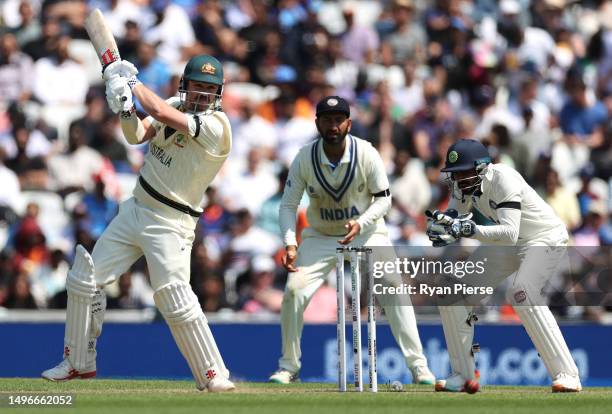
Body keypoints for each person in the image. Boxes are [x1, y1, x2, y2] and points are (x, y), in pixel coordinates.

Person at [41, 54, 235, 392]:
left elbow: (159, 113)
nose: (202, 95)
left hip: (170, 222)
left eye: (209, 89)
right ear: (184, 86)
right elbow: (138, 134)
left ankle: (213, 374)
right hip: (135, 208)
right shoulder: (176, 102)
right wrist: (127, 108)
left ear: (218, 93)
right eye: (197, 87)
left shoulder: (217, 126)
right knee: (84, 280)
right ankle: (77, 363)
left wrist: (132, 82)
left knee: (174, 298)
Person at [269, 96, 434, 384]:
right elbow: (288, 205)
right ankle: (289, 366)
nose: (333, 125)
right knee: (294, 290)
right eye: (327, 120)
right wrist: (290, 242)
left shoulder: (367, 153)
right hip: (320, 236)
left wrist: (361, 222)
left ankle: (419, 368)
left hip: (367, 232)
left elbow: (384, 200)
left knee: (394, 286)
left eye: (338, 119)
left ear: (348, 123)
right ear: (317, 122)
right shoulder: (305, 157)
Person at [426, 139, 581, 393]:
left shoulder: (503, 178)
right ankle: (463, 376)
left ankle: (567, 374)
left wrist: (468, 229)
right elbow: (454, 216)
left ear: (482, 168)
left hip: (544, 237)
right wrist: (441, 227)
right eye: (455, 173)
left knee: (522, 292)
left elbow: (510, 232)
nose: (459, 179)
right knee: (450, 291)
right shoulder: (462, 187)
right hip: (508, 244)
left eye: (465, 172)